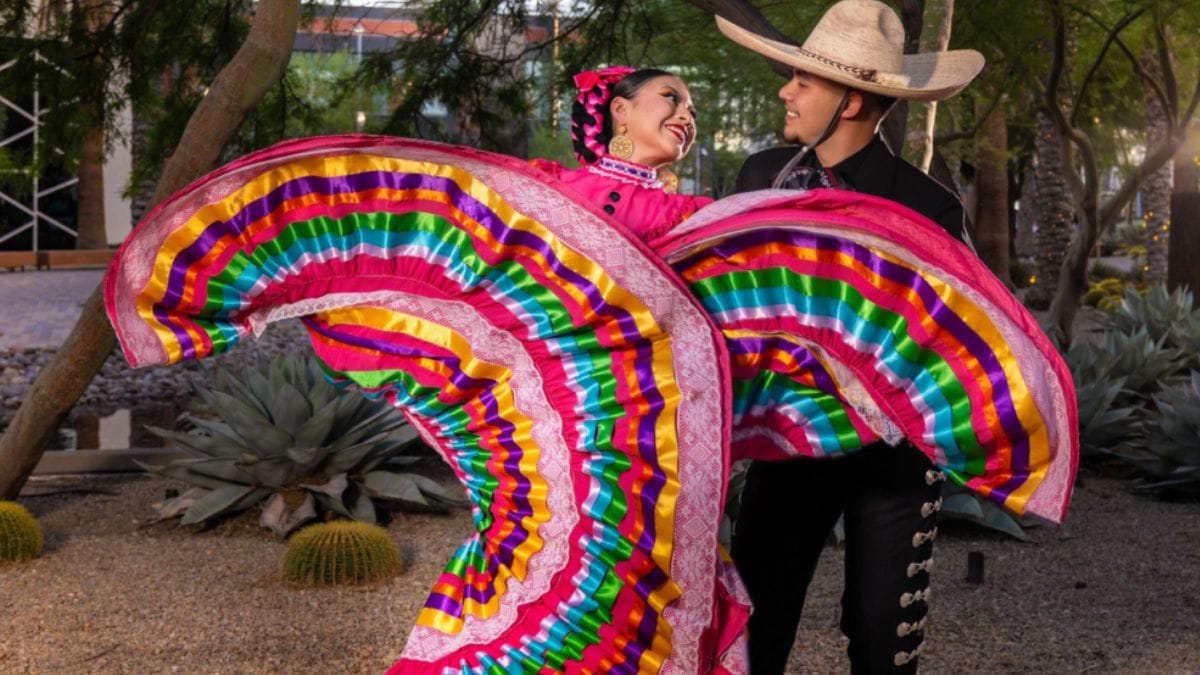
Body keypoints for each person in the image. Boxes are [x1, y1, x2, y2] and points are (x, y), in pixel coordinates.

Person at [715, 1, 986, 672]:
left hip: (893, 456)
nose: (787, 90)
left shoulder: (930, 206)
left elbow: (952, 339)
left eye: (804, 82)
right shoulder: (761, 179)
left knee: (881, 639)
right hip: (787, 439)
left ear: (855, 100)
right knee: (754, 628)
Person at [533, 66, 712, 241]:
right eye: (671, 97)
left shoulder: (689, 217)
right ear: (621, 109)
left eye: (692, 113)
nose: (688, 118)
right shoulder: (544, 185)